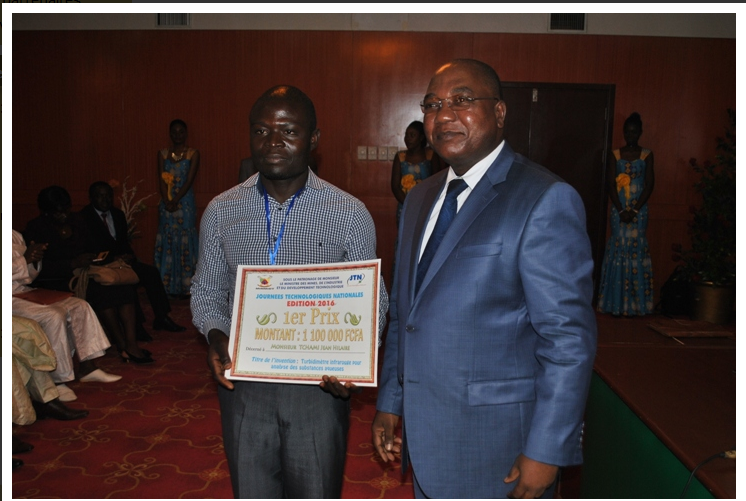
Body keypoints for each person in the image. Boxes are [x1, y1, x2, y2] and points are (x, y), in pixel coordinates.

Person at [372, 59, 597, 499]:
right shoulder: (419, 198)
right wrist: (391, 401)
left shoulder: (543, 199)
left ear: (499, 113)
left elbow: (568, 340)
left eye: (462, 100)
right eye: (433, 104)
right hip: (425, 436)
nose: (444, 115)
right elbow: (405, 315)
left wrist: (547, 451)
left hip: (498, 448)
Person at [191, 85, 388, 498]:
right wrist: (215, 335)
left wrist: (354, 361)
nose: (274, 142)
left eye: (289, 131)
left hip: (319, 389)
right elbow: (207, 290)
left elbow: (375, 301)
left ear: (313, 140)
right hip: (244, 384)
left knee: (316, 490)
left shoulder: (348, 213)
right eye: (262, 131)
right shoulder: (222, 210)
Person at [24, 186, 154, 365]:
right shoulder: (36, 228)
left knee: (123, 287)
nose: (64, 215)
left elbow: (95, 246)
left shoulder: (78, 220)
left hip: (88, 272)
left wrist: (94, 257)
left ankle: (131, 344)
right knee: (102, 293)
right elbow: (36, 269)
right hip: (59, 280)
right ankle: (122, 344)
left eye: (66, 209)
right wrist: (71, 264)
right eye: (58, 212)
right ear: (46, 212)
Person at [13, 229, 122, 398]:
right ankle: (57, 380)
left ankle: (88, 367)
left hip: (22, 290)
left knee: (79, 305)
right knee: (53, 315)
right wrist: (24, 260)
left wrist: (34, 260)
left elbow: (28, 276)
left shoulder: (14, 234)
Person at [80, 181, 186, 333]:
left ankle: (162, 317)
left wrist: (129, 256)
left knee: (151, 273)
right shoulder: (83, 218)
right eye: (100, 196)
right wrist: (112, 258)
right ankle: (136, 326)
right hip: (102, 267)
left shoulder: (117, 215)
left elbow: (123, 242)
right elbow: (86, 249)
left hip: (122, 262)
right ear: (91, 198)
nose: (106, 200)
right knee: (127, 282)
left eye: (109, 196)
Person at [597, 112, 655, 316]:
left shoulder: (647, 154)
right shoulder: (615, 154)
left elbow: (649, 184)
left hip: (639, 210)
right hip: (619, 210)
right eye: (627, 132)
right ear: (624, 132)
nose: (631, 135)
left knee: (636, 249)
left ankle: (637, 305)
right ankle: (615, 303)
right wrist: (621, 209)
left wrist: (635, 209)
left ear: (640, 132)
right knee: (619, 247)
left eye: (634, 132)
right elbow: (610, 183)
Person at [155, 118, 200, 297]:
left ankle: (188, 285)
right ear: (170, 134)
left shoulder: (193, 153)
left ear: (186, 133)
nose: (177, 135)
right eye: (174, 132)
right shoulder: (163, 153)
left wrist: (176, 200)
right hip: (166, 204)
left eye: (181, 132)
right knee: (168, 240)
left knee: (186, 240)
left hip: (185, 203)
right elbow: (160, 178)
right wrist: (167, 200)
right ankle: (166, 285)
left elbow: (189, 180)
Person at [390, 120, 442, 227]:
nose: (407, 139)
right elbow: (395, 186)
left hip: (427, 207)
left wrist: (424, 205)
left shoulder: (431, 155)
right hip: (405, 206)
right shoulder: (400, 157)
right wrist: (409, 205)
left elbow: (437, 183)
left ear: (421, 138)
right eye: (406, 135)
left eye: (412, 135)